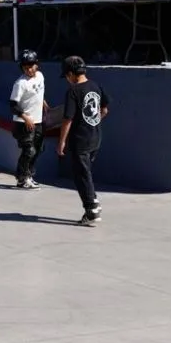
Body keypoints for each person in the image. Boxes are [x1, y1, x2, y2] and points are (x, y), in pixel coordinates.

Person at [57, 56, 109, 227]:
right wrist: (94, 122)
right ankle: (92, 199)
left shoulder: (73, 91)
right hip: (95, 138)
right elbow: (105, 109)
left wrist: (61, 142)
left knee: (81, 175)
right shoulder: (95, 85)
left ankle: (91, 210)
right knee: (85, 172)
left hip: (80, 140)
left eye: (66, 76)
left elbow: (67, 119)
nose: (66, 80)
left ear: (71, 74)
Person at [9, 49, 48, 189]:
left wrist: (42, 101)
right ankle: (21, 179)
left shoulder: (40, 76)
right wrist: (25, 117)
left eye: (31, 66)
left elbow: (38, 92)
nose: (29, 70)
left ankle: (29, 175)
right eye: (25, 67)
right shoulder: (20, 84)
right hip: (23, 123)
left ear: (37, 65)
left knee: (37, 149)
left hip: (38, 120)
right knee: (28, 150)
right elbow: (13, 105)